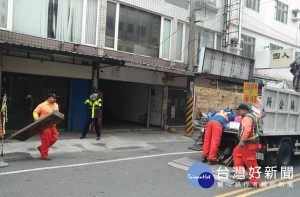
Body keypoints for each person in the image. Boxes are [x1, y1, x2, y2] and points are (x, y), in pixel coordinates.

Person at [233, 104, 262, 187]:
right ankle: (239, 173)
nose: (239, 112)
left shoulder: (246, 118)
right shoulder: (252, 116)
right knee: (236, 153)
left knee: (251, 162)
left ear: (243, 111)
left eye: (240, 110)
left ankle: (254, 182)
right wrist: (261, 116)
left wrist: (242, 140)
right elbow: (257, 117)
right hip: (249, 143)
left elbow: (247, 130)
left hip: (248, 143)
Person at [33, 93, 59, 160]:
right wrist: (36, 118)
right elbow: (35, 112)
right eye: (53, 98)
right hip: (44, 125)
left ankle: (41, 148)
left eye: (55, 98)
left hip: (53, 126)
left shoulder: (56, 105)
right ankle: (44, 155)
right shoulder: (42, 105)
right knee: (46, 141)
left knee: (54, 138)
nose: (54, 99)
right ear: (48, 98)